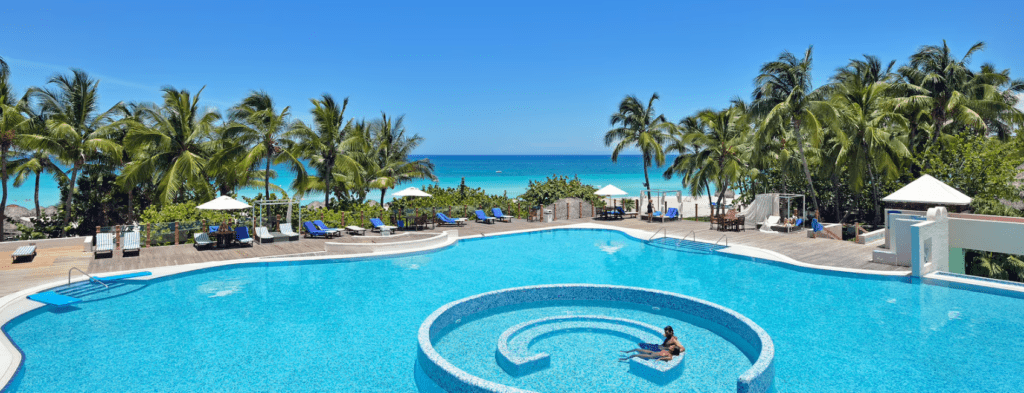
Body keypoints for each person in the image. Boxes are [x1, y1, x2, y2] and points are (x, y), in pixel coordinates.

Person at [619, 326, 685, 362]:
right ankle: (626, 352)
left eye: (667, 332)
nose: (666, 334)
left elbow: (682, 348)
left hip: (656, 352)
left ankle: (625, 358)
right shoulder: (668, 336)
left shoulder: (673, 340)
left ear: (671, 332)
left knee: (637, 353)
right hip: (656, 349)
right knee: (640, 345)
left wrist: (674, 351)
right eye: (666, 332)